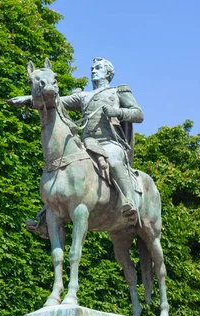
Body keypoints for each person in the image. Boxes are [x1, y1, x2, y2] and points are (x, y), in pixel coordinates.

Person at [8, 57, 144, 236]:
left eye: (99, 68)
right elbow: (54, 100)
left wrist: (116, 112)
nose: (94, 71)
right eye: (92, 68)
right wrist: (27, 99)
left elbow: (138, 114)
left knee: (113, 159)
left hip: (109, 141)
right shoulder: (83, 96)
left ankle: (129, 202)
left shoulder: (117, 92)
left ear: (109, 73)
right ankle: (48, 214)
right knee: (64, 170)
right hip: (87, 143)